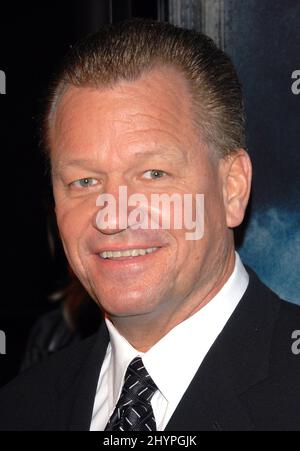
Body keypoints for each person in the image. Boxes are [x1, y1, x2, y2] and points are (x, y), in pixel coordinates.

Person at [0, 19, 299, 431]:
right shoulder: (20, 408)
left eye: (153, 174)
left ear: (232, 189)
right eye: (84, 182)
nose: (114, 216)